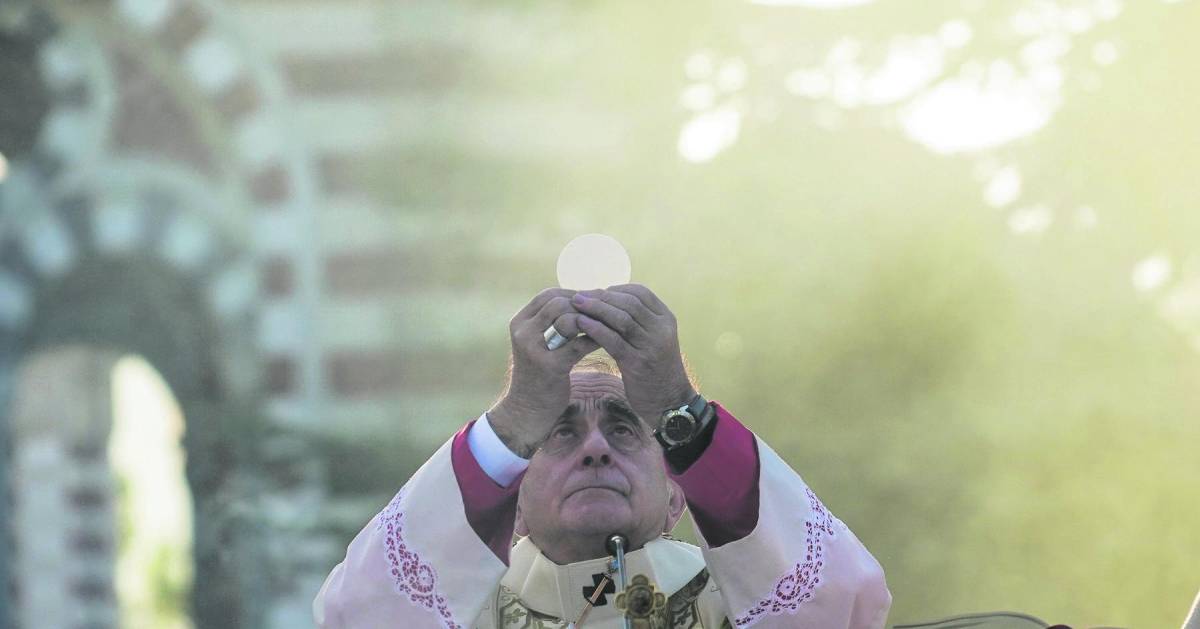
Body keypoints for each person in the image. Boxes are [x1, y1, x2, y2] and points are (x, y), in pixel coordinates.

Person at [314, 285, 891, 628]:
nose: (594, 449)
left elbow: (849, 606)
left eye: (623, 429)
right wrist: (515, 417)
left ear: (674, 499)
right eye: (560, 435)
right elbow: (356, 617)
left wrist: (676, 404)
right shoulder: (466, 612)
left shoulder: (734, 604)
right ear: (510, 509)